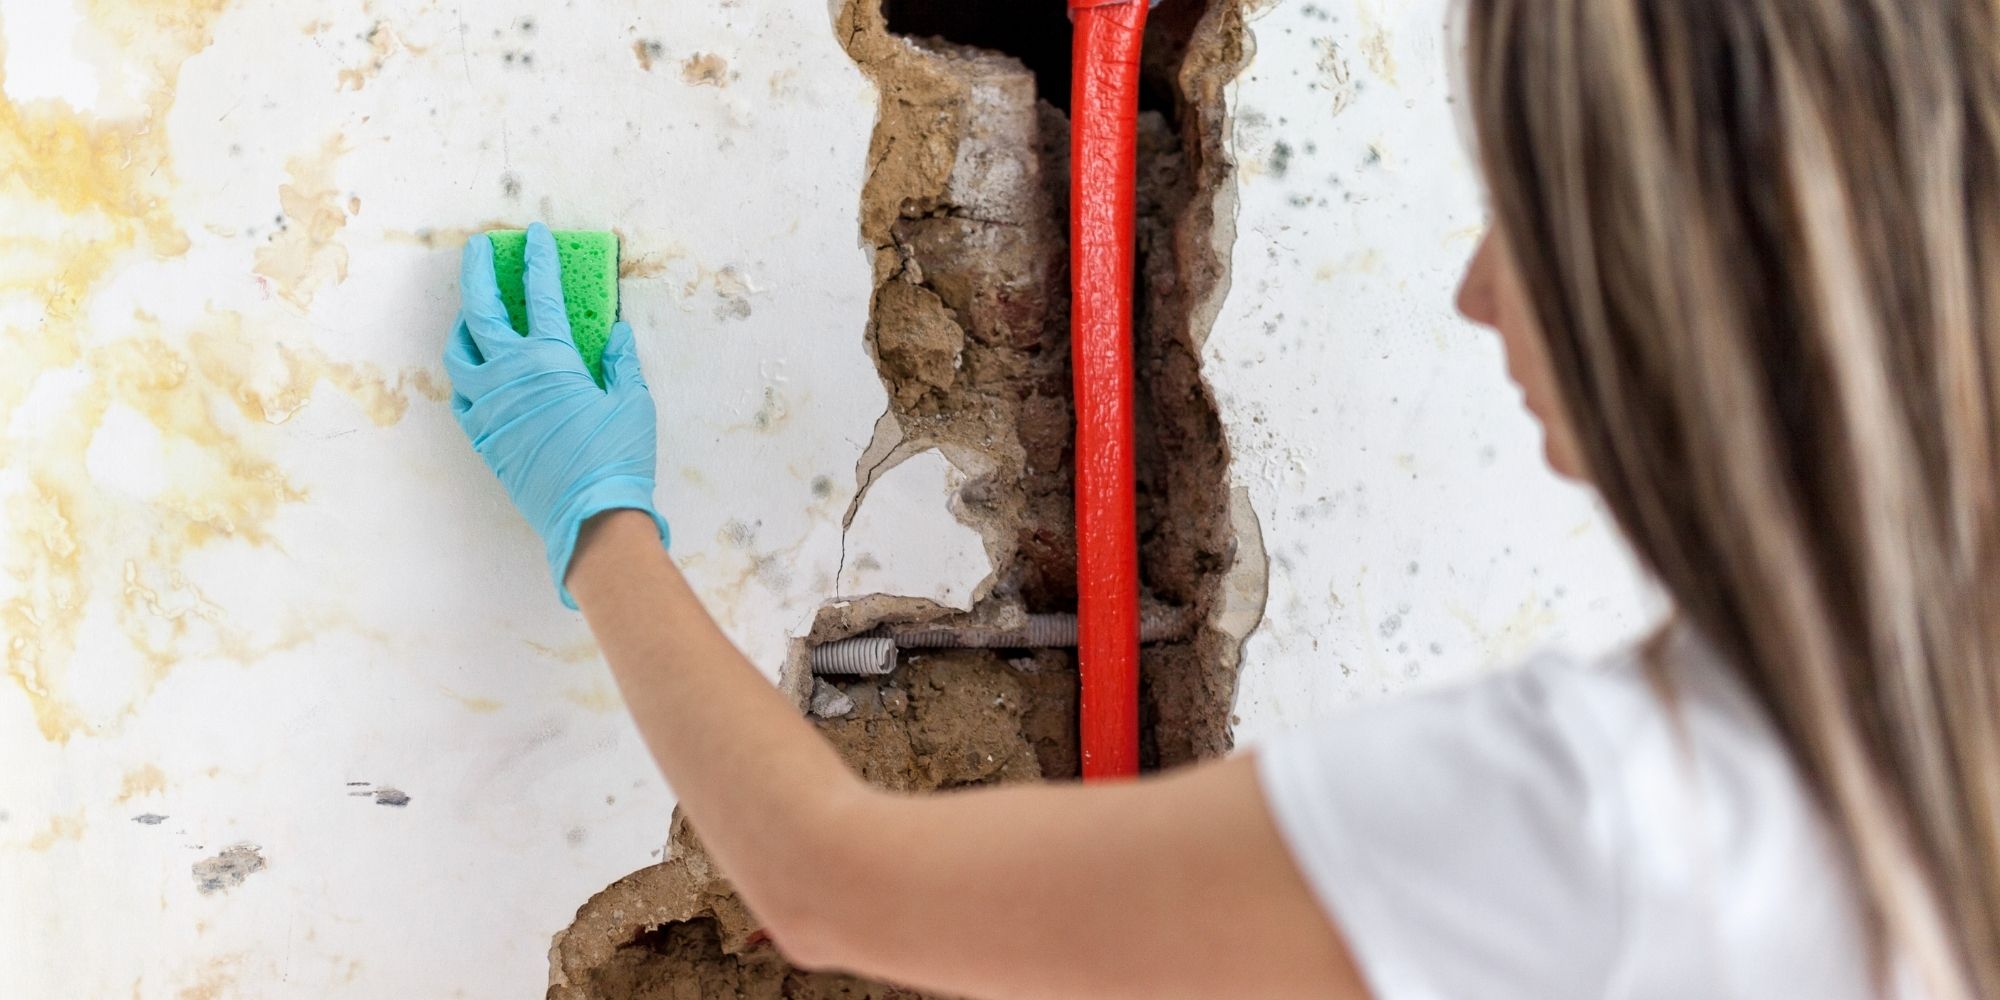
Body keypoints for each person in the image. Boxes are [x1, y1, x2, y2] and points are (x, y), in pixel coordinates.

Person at [440, 1, 2000, 997]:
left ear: (1686, 280)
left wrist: (598, 515)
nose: (1472, 295)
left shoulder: (1603, 807)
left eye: (1524, 222)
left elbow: (832, 884)